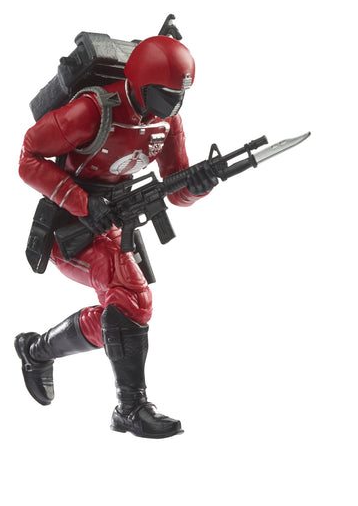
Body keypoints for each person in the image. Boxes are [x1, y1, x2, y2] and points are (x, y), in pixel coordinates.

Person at [15, 35, 217, 438]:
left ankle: (37, 350)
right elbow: (29, 156)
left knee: (123, 310)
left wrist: (200, 185)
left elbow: (176, 190)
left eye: (180, 95)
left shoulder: (167, 121)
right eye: (165, 94)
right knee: (132, 300)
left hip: (114, 221)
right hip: (69, 227)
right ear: (141, 83)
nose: (174, 104)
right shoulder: (92, 111)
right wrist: (82, 203)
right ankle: (130, 408)